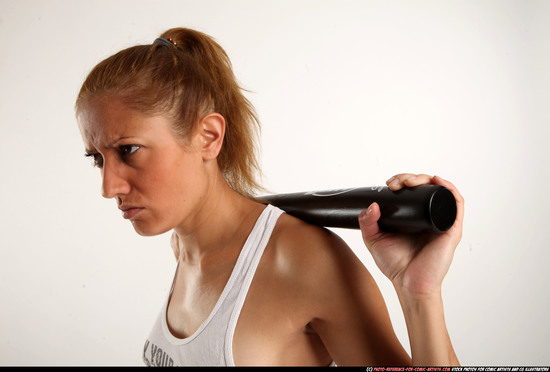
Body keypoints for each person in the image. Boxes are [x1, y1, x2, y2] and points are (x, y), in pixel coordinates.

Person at [75, 27, 464, 366]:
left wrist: (419, 294)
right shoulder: (182, 247)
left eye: (128, 150)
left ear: (208, 136)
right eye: (98, 159)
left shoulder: (299, 259)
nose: (110, 187)